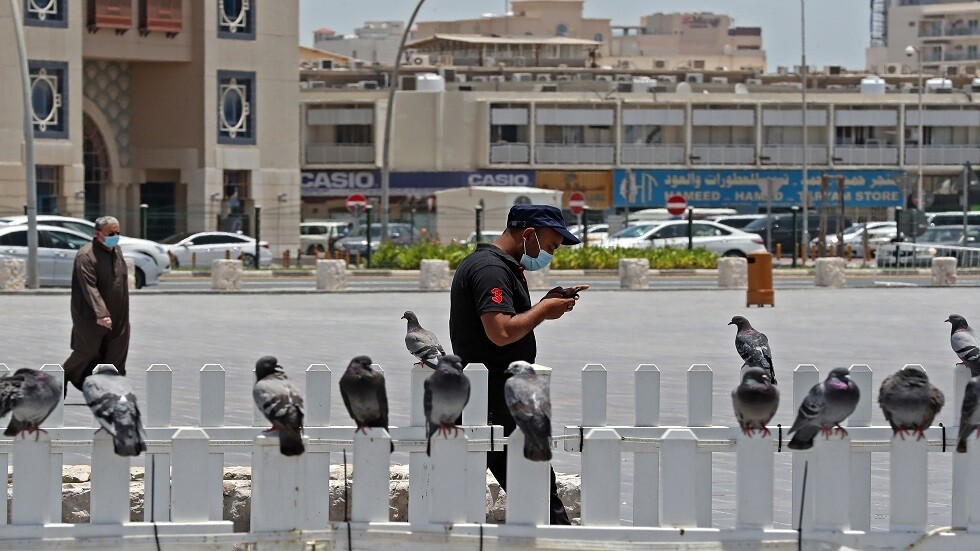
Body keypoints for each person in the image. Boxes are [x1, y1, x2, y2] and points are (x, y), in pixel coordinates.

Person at [449, 204, 588, 525]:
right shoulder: (490, 269)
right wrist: (544, 310)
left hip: (495, 400)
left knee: (536, 491)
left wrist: (546, 303)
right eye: (551, 246)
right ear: (528, 234)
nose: (550, 254)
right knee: (540, 495)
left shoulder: (500, 266)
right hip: (495, 405)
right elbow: (500, 332)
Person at [63, 215, 130, 395]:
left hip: (119, 315)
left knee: (117, 353)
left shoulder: (117, 251)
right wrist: (101, 313)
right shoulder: (86, 255)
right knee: (86, 351)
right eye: (110, 233)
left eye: (117, 232)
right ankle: (61, 376)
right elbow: (89, 287)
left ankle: (112, 392)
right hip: (90, 316)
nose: (115, 237)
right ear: (97, 234)